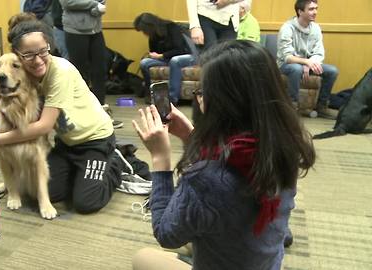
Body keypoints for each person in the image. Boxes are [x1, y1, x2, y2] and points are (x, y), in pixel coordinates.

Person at [131, 40, 316, 269]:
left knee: (143, 258)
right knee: (210, 223)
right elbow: (231, 166)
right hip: (262, 254)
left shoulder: (205, 179)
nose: (199, 98)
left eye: (202, 92)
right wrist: (191, 136)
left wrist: (160, 159)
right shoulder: (284, 144)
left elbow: (166, 234)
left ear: (223, 102)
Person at [0, 13, 125, 213]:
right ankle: (78, 171)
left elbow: (44, 126)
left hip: (94, 140)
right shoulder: (25, 74)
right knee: (45, 193)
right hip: (66, 143)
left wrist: (1, 139)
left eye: (42, 51)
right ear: (19, 55)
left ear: (49, 47)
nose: (37, 60)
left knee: (86, 203)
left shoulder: (60, 71)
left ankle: (114, 164)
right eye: (28, 55)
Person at [59, 0, 122, 128]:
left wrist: (97, 10)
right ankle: (80, 115)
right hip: (75, 30)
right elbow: (67, 3)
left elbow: (101, 3)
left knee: (100, 70)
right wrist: (93, 5)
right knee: (79, 73)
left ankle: (101, 114)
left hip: (95, 29)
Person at [277, 0, 338, 119]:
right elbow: (287, 57)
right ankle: (292, 106)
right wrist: (306, 62)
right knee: (295, 69)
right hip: (286, 65)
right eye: (311, 9)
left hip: (308, 64)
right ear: (300, 11)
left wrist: (309, 64)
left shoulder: (316, 28)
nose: (315, 12)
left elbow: (319, 53)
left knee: (332, 71)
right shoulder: (287, 28)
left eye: (316, 8)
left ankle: (322, 106)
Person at [134, 13, 195, 105]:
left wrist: (161, 56)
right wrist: (153, 56)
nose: (144, 33)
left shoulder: (171, 27)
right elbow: (153, 51)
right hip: (166, 59)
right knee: (144, 63)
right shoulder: (153, 35)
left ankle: (172, 99)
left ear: (150, 26)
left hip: (185, 57)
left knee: (175, 61)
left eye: (144, 30)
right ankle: (150, 93)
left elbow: (180, 49)